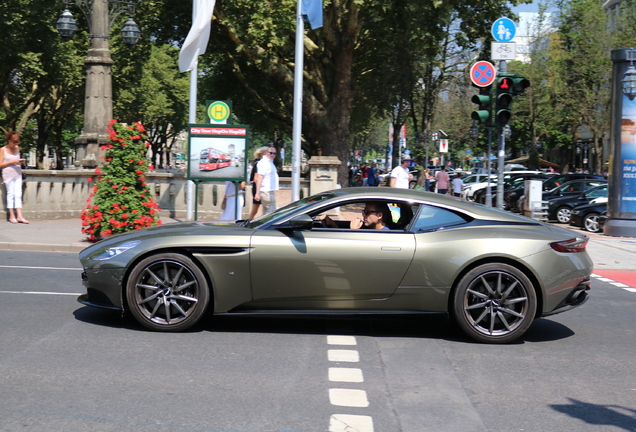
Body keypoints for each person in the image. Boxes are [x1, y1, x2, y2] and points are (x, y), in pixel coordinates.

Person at [0, 131, 28, 224]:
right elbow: (0, 164)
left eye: (16, 142)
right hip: (8, 174)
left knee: (18, 194)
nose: (15, 144)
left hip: (17, 173)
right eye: (13, 142)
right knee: (11, 193)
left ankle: (20, 216)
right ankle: (12, 215)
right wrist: (12, 162)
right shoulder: (2, 150)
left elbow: (16, 160)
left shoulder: (17, 148)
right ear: (9, 140)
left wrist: (19, 162)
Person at [254, 145, 280, 215]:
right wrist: (257, 193)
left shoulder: (270, 162)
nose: (272, 155)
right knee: (273, 212)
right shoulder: (264, 163)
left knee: (267, 212)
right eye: (271, 153)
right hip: (266, 191)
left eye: (274, 153)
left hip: (268, 191)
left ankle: (263, 225)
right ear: (266, 152)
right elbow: (259, 178)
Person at [247, 146, 268, 219]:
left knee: (258, 206)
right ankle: (249, 220)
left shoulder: (260, 163)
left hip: (259, 187)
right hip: (258, 187)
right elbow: (256, 178)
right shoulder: (259, 163)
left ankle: (250, 219)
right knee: (257, 206)